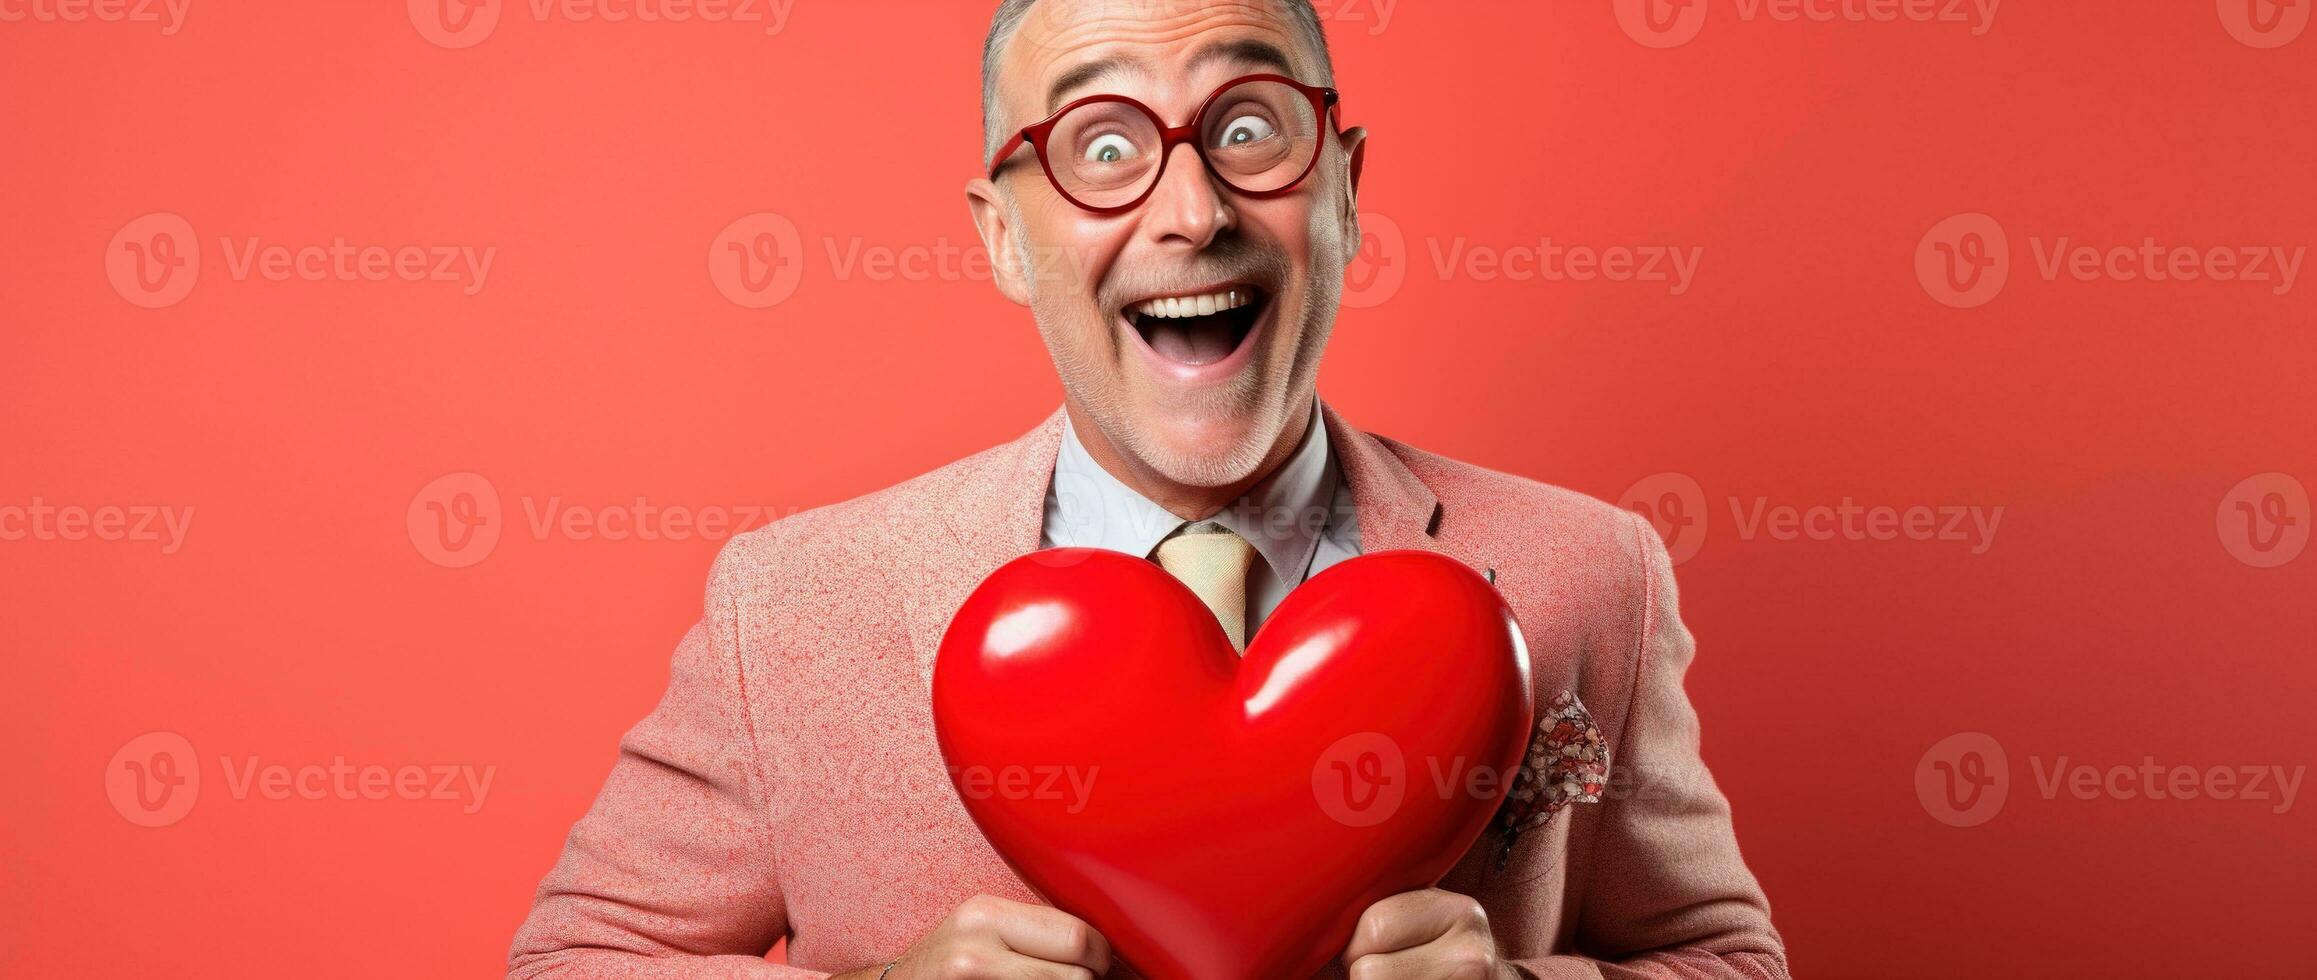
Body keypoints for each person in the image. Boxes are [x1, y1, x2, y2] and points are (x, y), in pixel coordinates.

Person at [510, 2, 1787, 977]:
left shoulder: (1590, 569)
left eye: (1245, 128)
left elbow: (1729, 955)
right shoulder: (786, 606)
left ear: (1342, 191)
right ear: (1005, 239)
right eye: (1101, 144)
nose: (1192, 209)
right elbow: (569, 962)